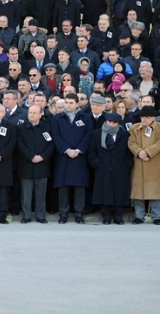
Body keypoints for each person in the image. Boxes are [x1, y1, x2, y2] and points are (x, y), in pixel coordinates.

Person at [51, 93, 93, 224]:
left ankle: (78, 214)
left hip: (80, 157)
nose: (68, 105)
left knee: (79, 187)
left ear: (77, 104)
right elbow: (56, 136)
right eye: (66, 103)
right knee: (63, 187)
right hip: (63, 157)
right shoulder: (57, 118)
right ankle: (63, 214)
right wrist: (66, 150)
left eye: (71, 103)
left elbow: (88, 135)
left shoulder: (85, 117)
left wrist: (79, 150)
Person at [88, 112, 133, 224]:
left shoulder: (125, 135)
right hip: (103, 167)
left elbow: (129, 153)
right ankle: (106, 216)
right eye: (110, 121)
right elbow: (91, 151)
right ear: (106, 121)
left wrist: (127, 165)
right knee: (104, 192)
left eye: (115, 122)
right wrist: (96, 163)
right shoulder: (97, 134)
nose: (112, 124)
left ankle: (118, 216)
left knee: (119, 192)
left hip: (120, 168)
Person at [128, 106, 160, 225]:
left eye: (147, 117)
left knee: (156, 190)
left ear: (153, 117)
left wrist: (147, 152)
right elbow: (131, 142)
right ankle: (138, 216)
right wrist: (139, 152)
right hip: (139, 162)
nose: (144, 119)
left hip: (155, 162)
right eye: (142, 117)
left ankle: (156, 216)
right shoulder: (134, 128)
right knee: (138, 190)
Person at [17, 104, 54, 223]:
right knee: (26, 194)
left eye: (34, 113)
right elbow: (20, 144)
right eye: (30, 113)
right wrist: (31, 156)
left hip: (42, 164)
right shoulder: (21, 128)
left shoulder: (47, 127)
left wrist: (42, 156)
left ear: (40, 115)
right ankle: (26, 216)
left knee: (41, 193)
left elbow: (51, 144)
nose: (31, 115)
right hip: (26, 164)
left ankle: (40, 216)